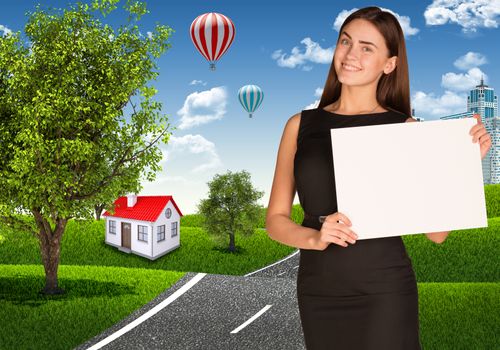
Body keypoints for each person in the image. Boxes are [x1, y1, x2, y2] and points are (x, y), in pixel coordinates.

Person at [265, 6, 492, 350]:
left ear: (390, 64)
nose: (351, 55)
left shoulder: (406, 130)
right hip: (318, 289)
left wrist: (463, 165)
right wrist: (316, 238)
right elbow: (275, 220)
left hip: (385, 289)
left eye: (367, 47)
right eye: (345, 42)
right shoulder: (299, 126)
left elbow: (437, 233)